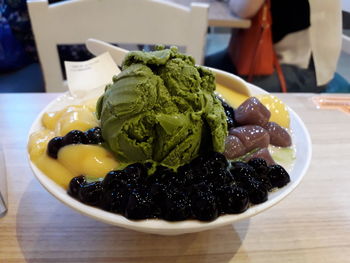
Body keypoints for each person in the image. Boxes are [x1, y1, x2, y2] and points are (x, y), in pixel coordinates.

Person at [205, 0, 343, 93]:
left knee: (206, 86)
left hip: (305, 69)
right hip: (270, 55)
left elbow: (243, 8)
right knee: (201, 68)